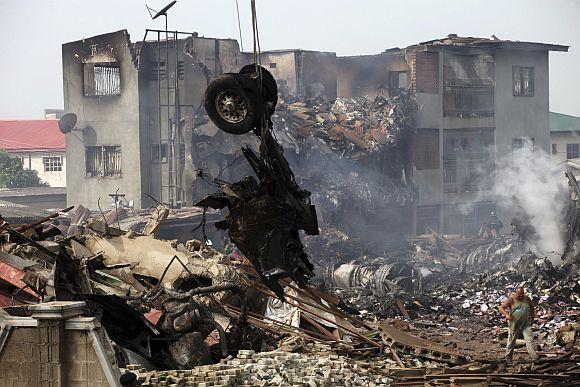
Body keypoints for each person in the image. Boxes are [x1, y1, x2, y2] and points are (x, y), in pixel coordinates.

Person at [498, 286, 539, 361]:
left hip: (525, 323)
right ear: (515, 293)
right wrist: (507, 314)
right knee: (511, 340)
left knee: (530, 339)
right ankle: (508, 357)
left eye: (522, 294)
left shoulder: (527, 299)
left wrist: (532, 319)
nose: (521, 296)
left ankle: (534, 357)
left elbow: (532, 309)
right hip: (514, 323)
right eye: (519, 294)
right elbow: (501, 308)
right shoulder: (511, 299)